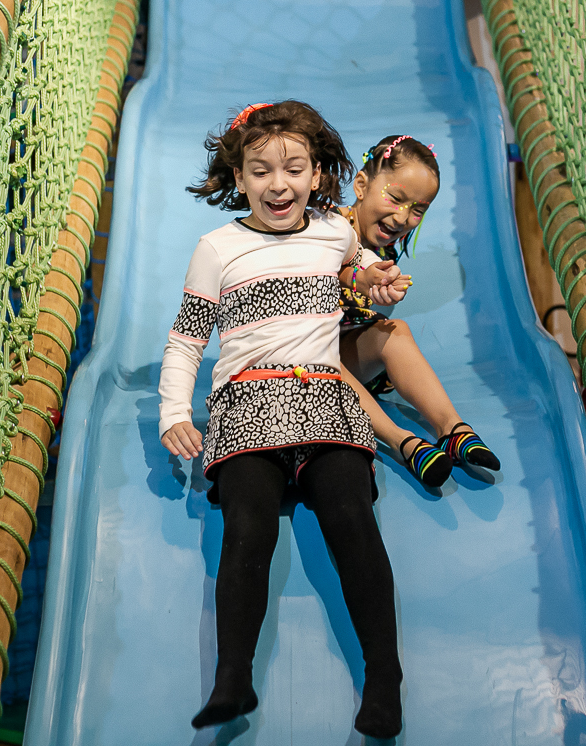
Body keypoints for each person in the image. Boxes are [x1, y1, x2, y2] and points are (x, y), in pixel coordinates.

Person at [159, 101, 405, 738]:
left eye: (294, 169)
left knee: (351, 519)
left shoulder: (333, 233)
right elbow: (186, 340)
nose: (278, 184)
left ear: (317, 175)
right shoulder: (217, 248)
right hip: (248, 401)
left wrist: (376, 281)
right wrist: (173, 413)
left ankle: (385, 679)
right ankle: (232, 679)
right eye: (261, 170)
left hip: (323, 396)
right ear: (239, 177)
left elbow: (357, 271)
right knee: (247, 529)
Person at [337, 135, 501, 489]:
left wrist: (384, 295)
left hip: (346, 359)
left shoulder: (385, 253)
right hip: (300, 363)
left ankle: (453, 430)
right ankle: (403, 442)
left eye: (418, 210)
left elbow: (368, 315)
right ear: (361, 186)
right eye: (396, 198)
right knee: (320, 352)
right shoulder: (325, 230)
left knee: (395, 331)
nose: (403, 217)